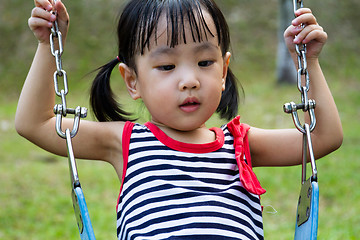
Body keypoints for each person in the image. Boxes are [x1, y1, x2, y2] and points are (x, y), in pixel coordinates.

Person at [16, 0, 343, 239]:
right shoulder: (127, 143)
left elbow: (324, 138)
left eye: (204, 62)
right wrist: (48, 46)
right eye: (167, 67)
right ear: (132, 81)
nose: (189, 80)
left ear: (224, 70)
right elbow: (35, 124)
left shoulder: (240, 144)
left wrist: (309, 62)